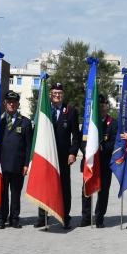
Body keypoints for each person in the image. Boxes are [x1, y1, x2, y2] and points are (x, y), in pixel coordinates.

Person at [36, 82, 81, 229]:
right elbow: (36, 131)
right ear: (50, 94)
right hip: (46, 154)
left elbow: (76, 135)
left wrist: (73, 152)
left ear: (63, 95)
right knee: (44, 185)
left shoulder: (71, 110)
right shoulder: (44, 109)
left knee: (64, 187)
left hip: (63, 156)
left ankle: (64, 217)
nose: (57, 95)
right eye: (54, 93)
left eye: (60, 93)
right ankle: (43, 218)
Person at [0, 90, 33, 229]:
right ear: (5, 104)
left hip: (18, 164)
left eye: (14, 102)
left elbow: (29, 145)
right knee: (2, 192)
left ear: (18, 104)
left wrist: (26, 164)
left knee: (16, 193)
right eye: (9, 102)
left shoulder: (25, 122)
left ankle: (14, 218)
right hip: (2, 164)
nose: (11, 104)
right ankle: (1, 218)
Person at [80, 95, 117, 228]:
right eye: (99, 105)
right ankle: (85, 217)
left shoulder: (113, 123)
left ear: (107, 106)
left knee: (103, 192)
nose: (102, 107)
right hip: (90, 162)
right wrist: (88, 151)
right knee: (86, 190)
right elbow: (82, 140)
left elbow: (114, 142)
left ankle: (99, 217)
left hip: (105, 163)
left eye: (104, 104)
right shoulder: (88, 122)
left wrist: (101, 148)